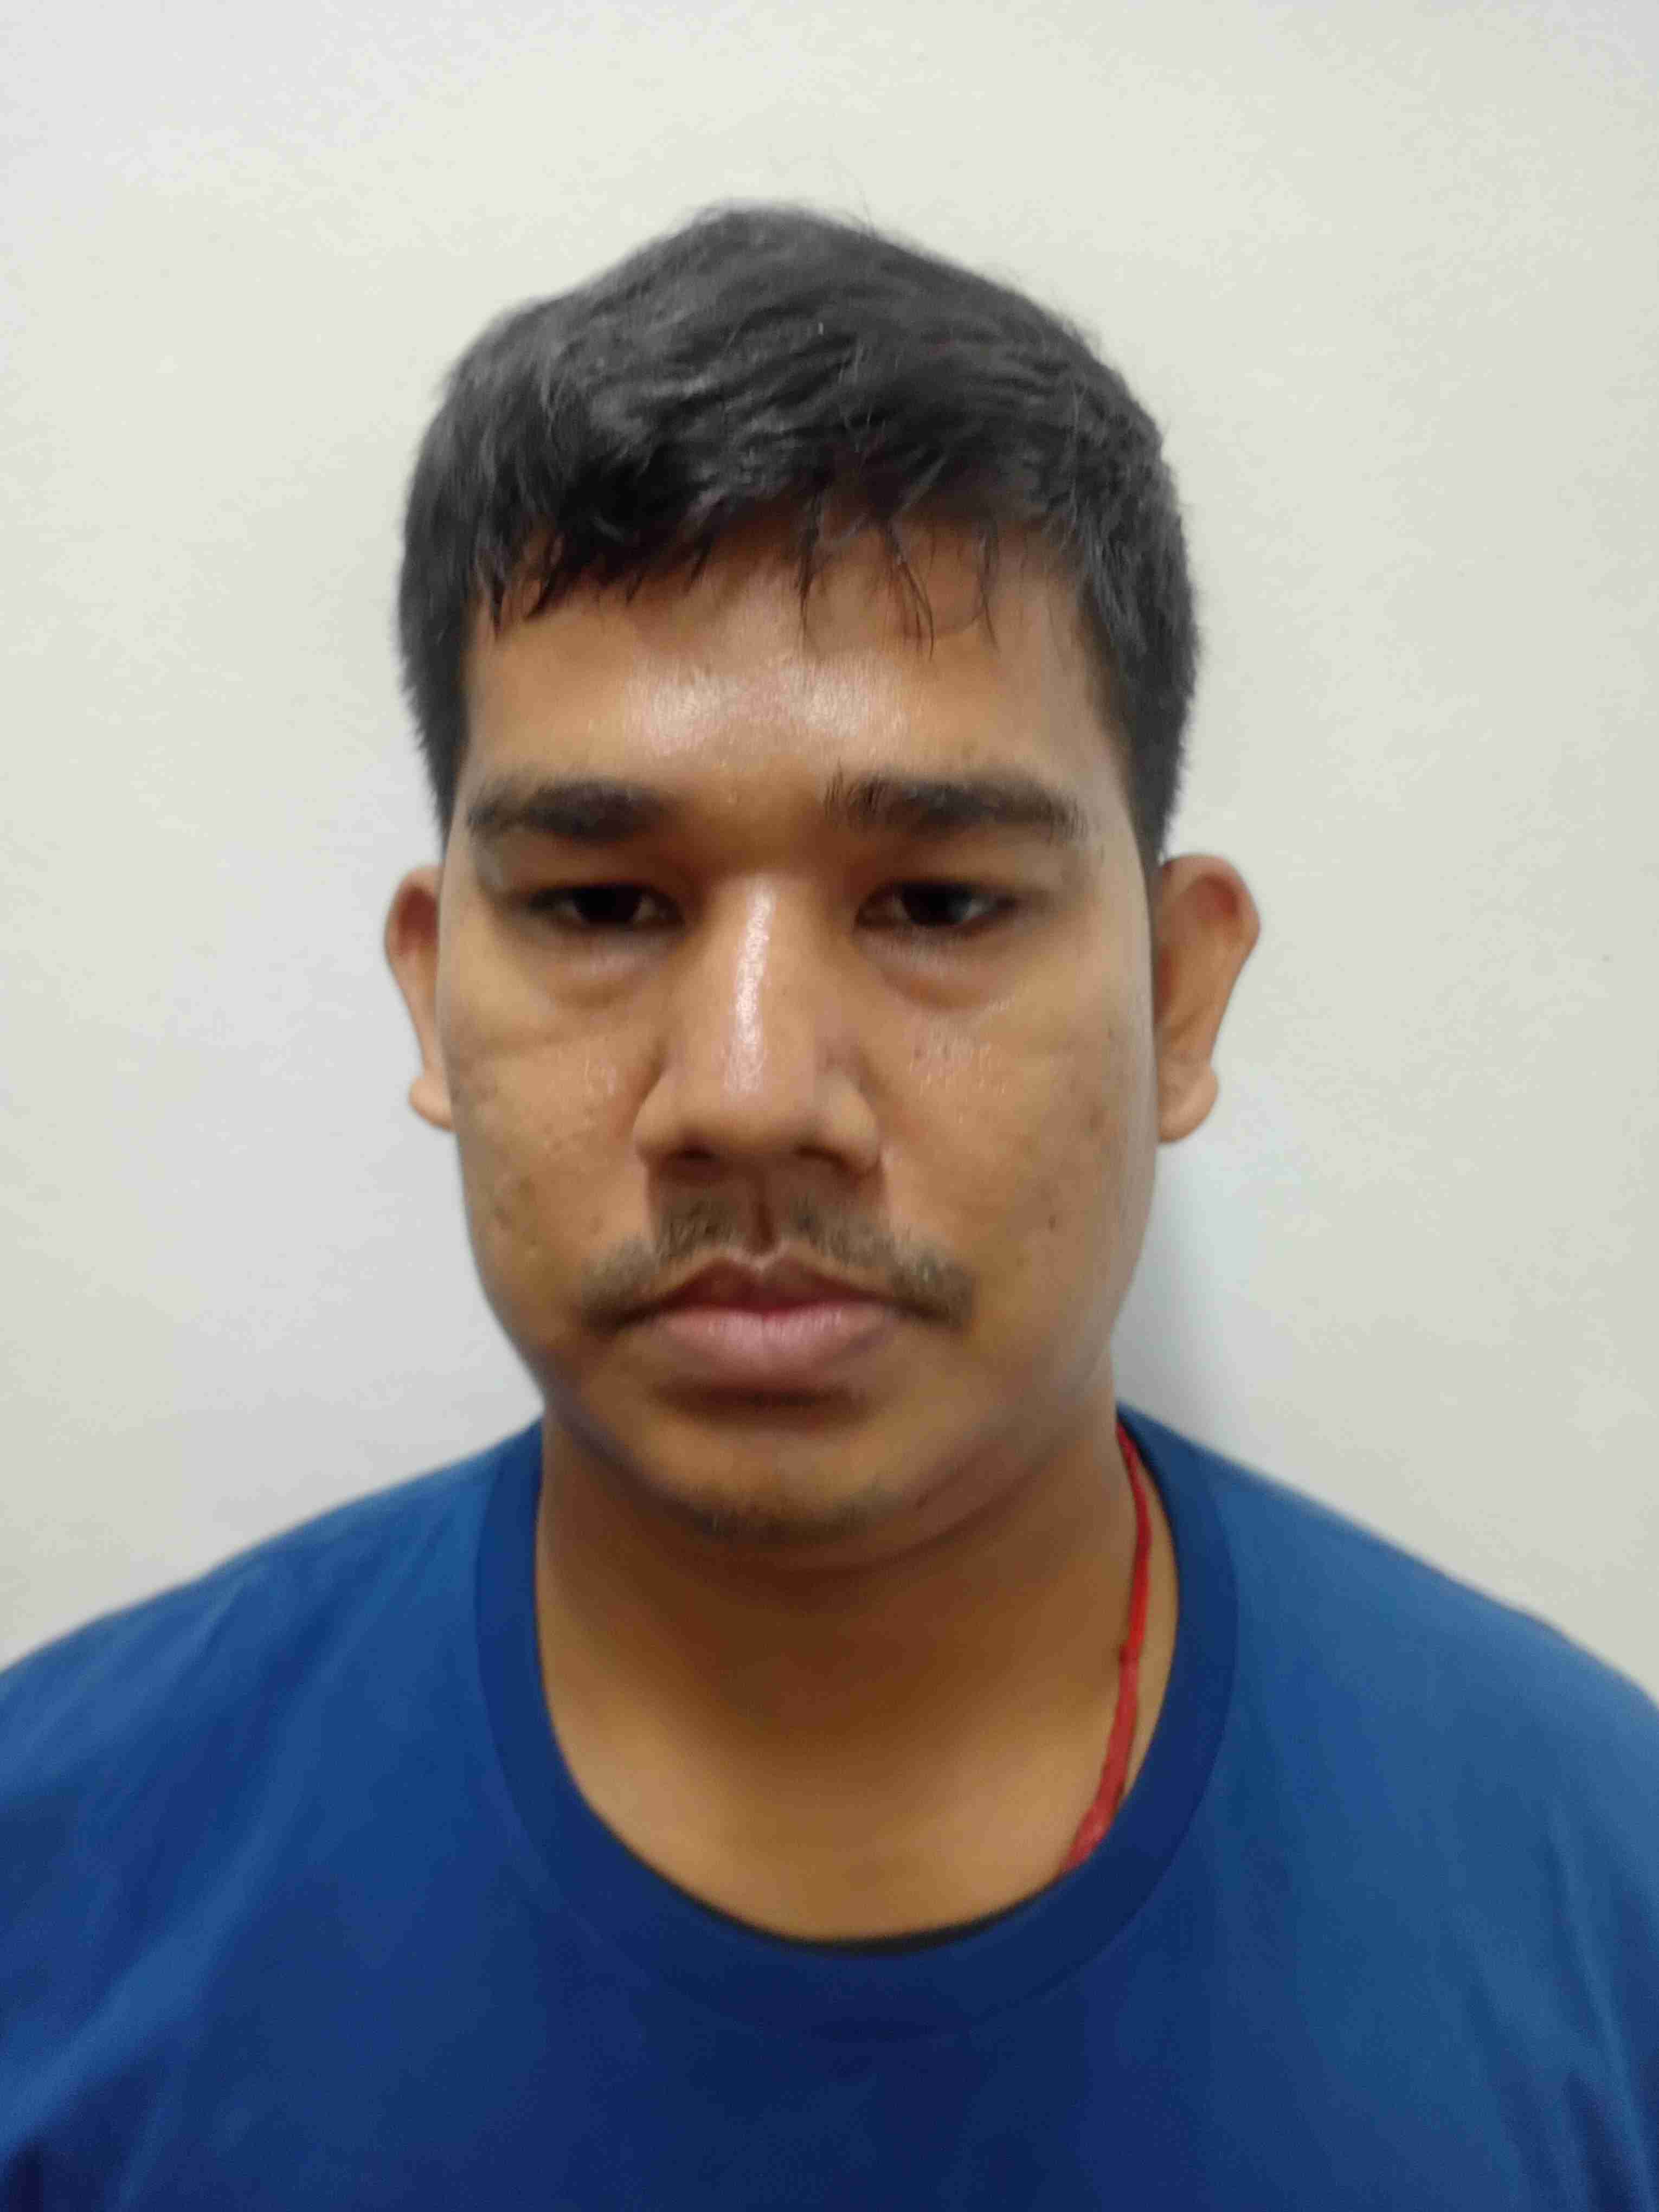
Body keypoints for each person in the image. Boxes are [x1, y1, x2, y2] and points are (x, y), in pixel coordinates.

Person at [2, 203, 1655, 2211]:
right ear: (434, 993)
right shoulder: (53, 1887)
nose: (750, 1094)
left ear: (1174, 997)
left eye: (937, 903)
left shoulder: (1603, 1910)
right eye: (603, 906)